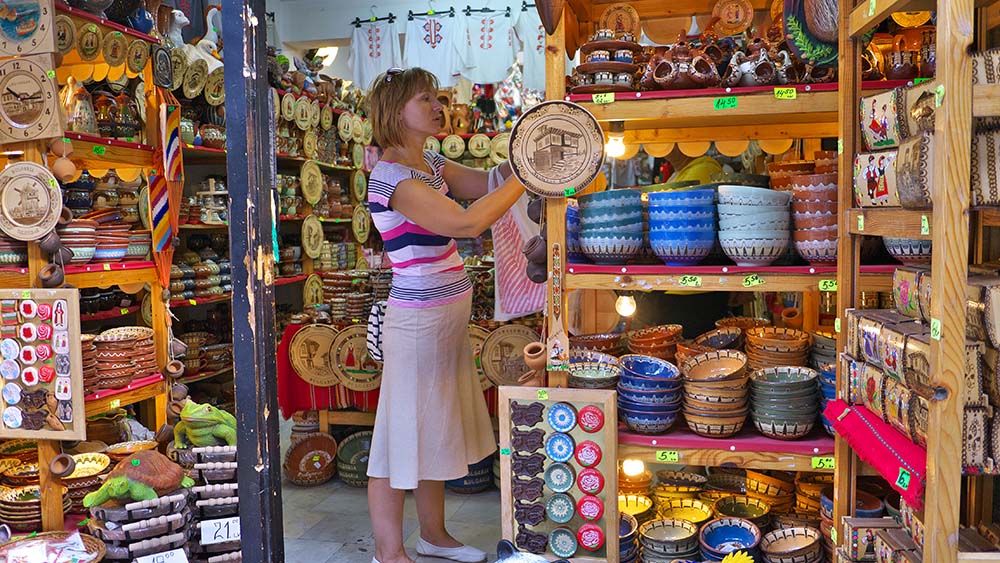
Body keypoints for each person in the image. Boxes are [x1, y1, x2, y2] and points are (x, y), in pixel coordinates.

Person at [364, 67, 526, 563]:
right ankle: (388, 553)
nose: (439, 107)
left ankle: (432, 535)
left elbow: (487, 182)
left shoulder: (430, 163)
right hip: (416, 324)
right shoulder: (391, 178)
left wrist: (527, 154)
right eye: (426, 99)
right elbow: (468, 219)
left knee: (431, 429)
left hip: (445, 317)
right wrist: (533, 176)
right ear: (396, 112)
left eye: (437, 98)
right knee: (397, 440)